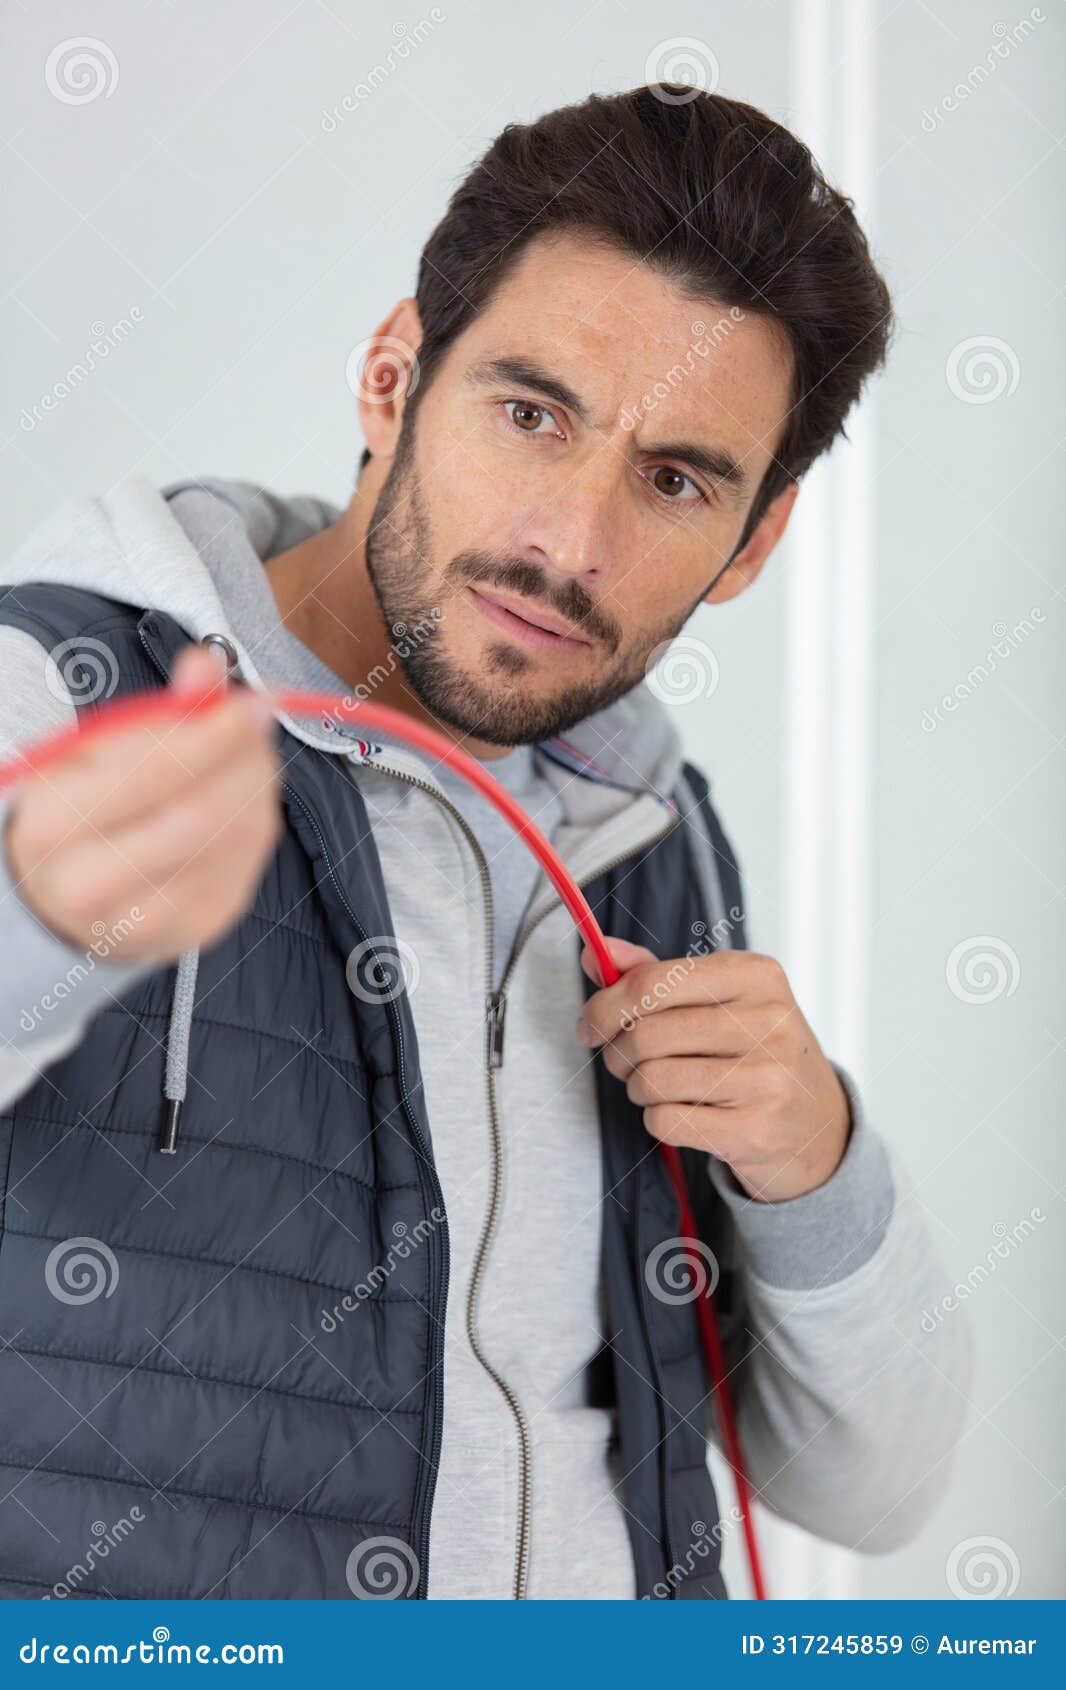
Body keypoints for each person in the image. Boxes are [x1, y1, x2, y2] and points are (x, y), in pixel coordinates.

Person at [0, 84, 971, 1601]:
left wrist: (813, 1162)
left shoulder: (650, 834)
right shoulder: (52, 703)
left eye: (672, 480)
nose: (567, 545)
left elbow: (874, 1487)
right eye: (531, 414)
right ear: (393, 377)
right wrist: (29, 920)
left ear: (752, 541)